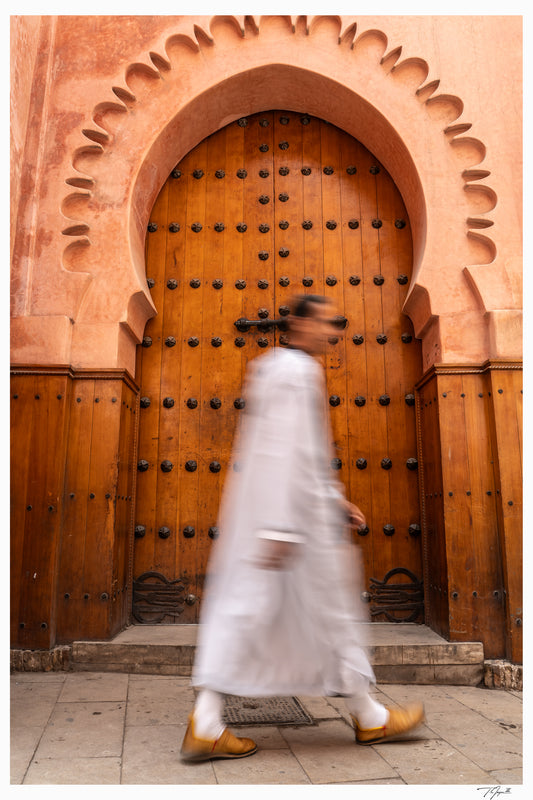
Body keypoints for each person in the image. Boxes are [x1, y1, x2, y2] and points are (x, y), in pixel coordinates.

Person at [180, 294, 424, 762]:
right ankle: (208, 723)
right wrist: (279, 527)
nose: (333, 332)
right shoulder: (294, 372)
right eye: (327, 322)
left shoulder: (274, 367)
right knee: (262, 612)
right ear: (299, 323)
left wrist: (334, 501)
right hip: (286, 524)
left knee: (300, 615)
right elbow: (279, 450)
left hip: (288, 518)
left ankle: (367, 715)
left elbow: (303, 454)